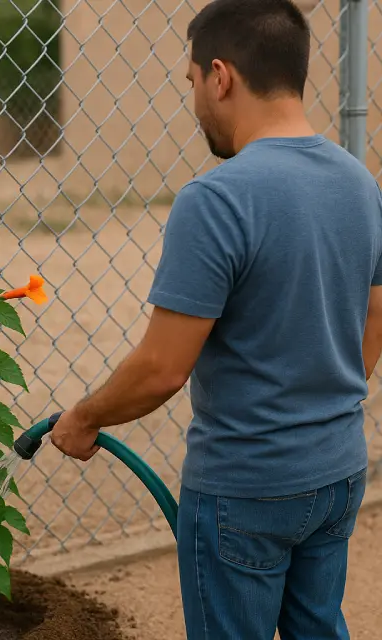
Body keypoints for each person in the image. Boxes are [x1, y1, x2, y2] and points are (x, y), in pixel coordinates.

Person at [50, 0, 382, 637]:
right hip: (338, 469)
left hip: (247, 487)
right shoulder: (358, 181)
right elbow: (380, 307)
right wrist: (328, 394)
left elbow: (161, 370)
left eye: (193, 82)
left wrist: (84, 418)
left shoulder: (216, 199)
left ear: (221, 77)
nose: (196, 100)